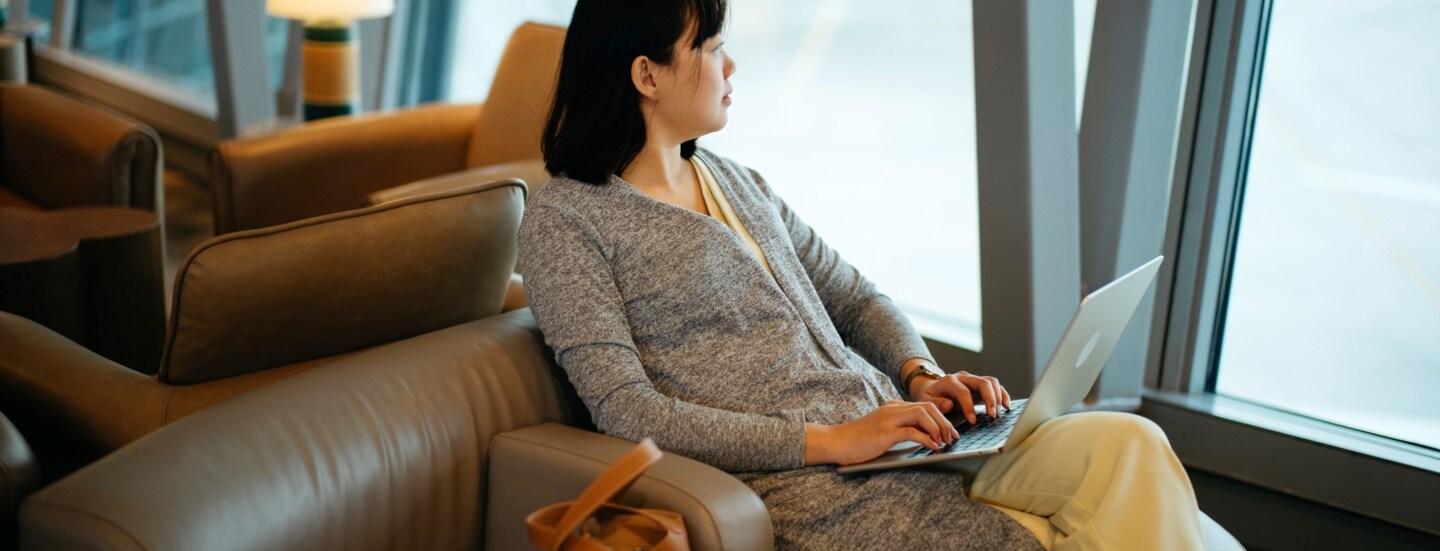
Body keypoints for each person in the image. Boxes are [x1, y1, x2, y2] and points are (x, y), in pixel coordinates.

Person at [518, 0, 1207, 548]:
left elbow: (853, 297)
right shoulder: (568, 221)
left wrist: (921, 376)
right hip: (820, 485)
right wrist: (833, 440)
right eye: (712, 47)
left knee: (1131, 445)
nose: (730, 66)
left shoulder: (737, 181)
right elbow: (630, 412)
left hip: (910, 443)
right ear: (647, 75)